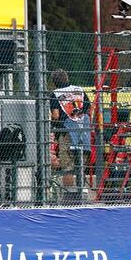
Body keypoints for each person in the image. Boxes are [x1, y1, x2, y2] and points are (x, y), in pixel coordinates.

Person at [50, 68, 91, 205]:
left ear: (54, 82)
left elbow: (55, 116)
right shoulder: (79, 89)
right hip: (82, 132)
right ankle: (82, 192)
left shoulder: (55, 94)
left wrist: (52, 124)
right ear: (67, 78)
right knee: (80, 164)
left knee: (67, 166)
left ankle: (70, 197)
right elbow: (87, 107)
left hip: (66, 132)